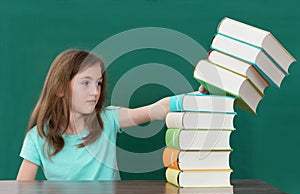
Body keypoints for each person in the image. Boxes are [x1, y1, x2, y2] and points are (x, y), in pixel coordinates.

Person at [16, 49, 207, 181]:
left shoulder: (108, 119)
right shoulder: (37, 137)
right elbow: (22, 190)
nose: (95, 91)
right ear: (60, 88)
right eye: (86, 83)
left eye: (98, 83)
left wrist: (196, 97)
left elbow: (157, 109)